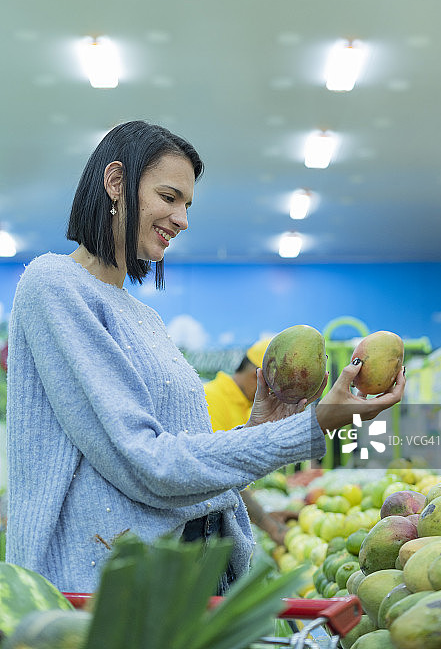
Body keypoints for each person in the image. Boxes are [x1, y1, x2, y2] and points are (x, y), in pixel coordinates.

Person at [6, 120, 406, 595]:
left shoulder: (146, 319)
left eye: (187, 205)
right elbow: (146, 464)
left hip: (183, 582)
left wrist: (262, 429)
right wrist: (312, 425)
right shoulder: (53, 285)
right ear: (116, 183)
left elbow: (185, 463)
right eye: (170, 197)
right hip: (106, 597)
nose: (183, 219)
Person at [204, 339, 296, 545]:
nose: (274, 395)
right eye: (273, 387)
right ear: (259, 376)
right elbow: (223, 476)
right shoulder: (211, 398)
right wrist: (268, 523)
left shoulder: (249, 404)